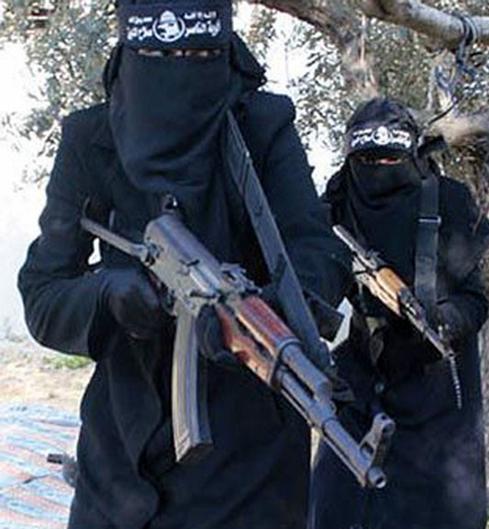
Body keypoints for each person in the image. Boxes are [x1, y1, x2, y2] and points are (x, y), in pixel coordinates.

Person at [17, 1, 347, 527]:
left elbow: (317, 254)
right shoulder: (89, 139)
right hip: (119, 465)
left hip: (250, 465)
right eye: (157, 55)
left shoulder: (261, 128)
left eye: (197, 55)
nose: (178, 74)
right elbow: (44, 294)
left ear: (224, 51)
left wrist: (266, 312)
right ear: (129, 51)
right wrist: (108, 296)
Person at [308, 97, 489, 529]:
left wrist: (442, 318)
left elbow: (476, 301)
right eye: (368, 160)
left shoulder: (448, 202)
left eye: (391, 159)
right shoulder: (339, 200)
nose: (380, 170)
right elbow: (317, 273)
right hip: (361, 378)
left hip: (436, 391)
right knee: (335, 504)